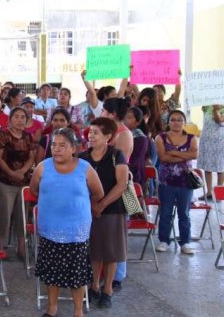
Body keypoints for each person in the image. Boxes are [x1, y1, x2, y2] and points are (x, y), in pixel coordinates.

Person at [30, 128, 104, 317]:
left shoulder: (85, 168)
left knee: (76, 275)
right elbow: (34, 190)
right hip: (49, 229)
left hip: (76, 231)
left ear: (74, 148)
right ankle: (51, 309)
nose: (57, 149)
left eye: (63, 145)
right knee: (51, 273)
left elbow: (98, 193)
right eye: (54, 145)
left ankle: (78, 311)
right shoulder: (43, 167)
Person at [79, 118, 129, 309]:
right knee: (94, 250)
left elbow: (121, 184)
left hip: (113, 210)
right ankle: (94, 286)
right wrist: (93, 204)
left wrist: (102, 204)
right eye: (90, 132)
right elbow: (80, 183)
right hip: (89, 210)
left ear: (108, 136)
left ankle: (107, 289)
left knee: (111, 252)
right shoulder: (83, 157)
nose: (90, 136)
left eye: (95, 133)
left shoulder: (117, 155)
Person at [154, 110, 199, 255]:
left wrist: (173, 152)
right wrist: (183, 156)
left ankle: (185, 242)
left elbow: (194, 154)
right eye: (173, 120)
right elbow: (163, 158)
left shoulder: (191, 138)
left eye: (179, 120)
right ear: (168, 122)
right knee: (166, 212)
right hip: (166, 181)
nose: (176, 123)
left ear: (184, 122)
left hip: (185, 182)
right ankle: (164, 240)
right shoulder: (160, 137)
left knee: (184, 213)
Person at [0, 107, 34, 259]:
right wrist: (12, 173)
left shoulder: (28, 136)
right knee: (5, 216)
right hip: (6, 182)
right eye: (16, 116)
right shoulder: (2, 135)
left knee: (22, 216)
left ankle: (21, 249)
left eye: (23, 117)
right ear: (10, 119)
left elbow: (31, 157)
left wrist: (22, 171)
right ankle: (0, 248)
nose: (20, 119)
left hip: (24, 182)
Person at [198, 105, 224, 201]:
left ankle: (218, 193)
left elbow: (220, 120)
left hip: (220, 142)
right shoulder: (207, 108)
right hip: (207, 140)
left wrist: (216, 110)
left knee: (220, 167)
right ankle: (208, 192)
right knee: (207, 167)